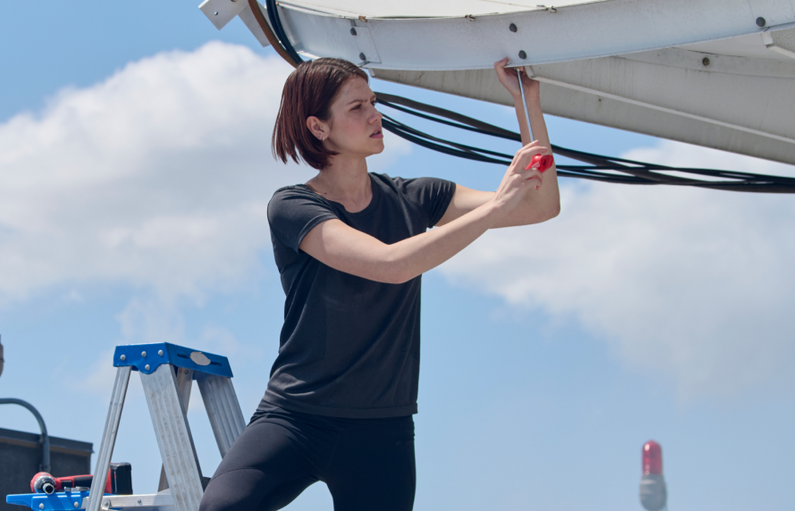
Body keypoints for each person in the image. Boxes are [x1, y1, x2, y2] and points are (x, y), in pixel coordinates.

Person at [197, 57, 559, 511]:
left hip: (382, 430)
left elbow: (539, 206)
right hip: (297, 416)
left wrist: (527, 102)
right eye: (356, 108)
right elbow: (389, 264)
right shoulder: (292, 206)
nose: (375, 115)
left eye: (374, 102)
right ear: (318, 127)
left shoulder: (416, 197)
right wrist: (495, 208)